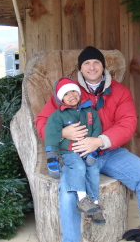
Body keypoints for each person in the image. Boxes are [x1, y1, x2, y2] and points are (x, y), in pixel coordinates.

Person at [36, 46, 140, 242]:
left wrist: (99, 141)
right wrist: (62, 133)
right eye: (87, 63)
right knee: (69, 194)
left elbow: (127, 123)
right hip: (75, 155)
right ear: (80, 68)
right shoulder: (68, 91)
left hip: (108, 152)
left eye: (96, 63)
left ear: (103, 67)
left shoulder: (120, 92)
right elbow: (42, 121)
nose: (92, 67)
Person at [44, 77, 105, 224]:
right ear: (60, 99)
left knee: (93, 169)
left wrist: (94, 150)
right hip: (69, 152)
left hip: (87, 149)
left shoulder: (90, 111)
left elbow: (97, 129)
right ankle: (82, 198)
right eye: (66, 94)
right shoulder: (57, 116)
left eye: (73, 91)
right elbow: (51, 134)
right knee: (78, 167)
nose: (71, 95)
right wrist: (51, 156)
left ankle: (94, 204)